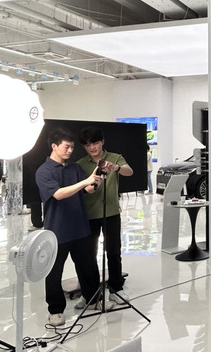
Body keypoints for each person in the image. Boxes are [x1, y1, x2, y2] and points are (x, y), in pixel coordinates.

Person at [35, 127, 113, 327]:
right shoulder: (44, 171)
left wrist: (96, 180)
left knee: (88, 266)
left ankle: (92, 299)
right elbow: (58, 194)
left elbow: (87, 189)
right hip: (57, 230)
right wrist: (85, 181)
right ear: (54, 146)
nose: (70, 150)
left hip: (80, 227)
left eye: (72, 147)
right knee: (54, 272)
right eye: (66, 147)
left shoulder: (74, 169)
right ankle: (55, 311)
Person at [77, 127, 133, 305]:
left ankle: (116, 289)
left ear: (102, 142)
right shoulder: (80, 164)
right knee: (89, 255)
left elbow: (129, 171)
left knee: (114, 252)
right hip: (89, 214)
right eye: (88, 145)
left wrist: (116, 168)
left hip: (111, 212)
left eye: (95, 143)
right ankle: (91, 294)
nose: (92, 147)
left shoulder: (115, 157)